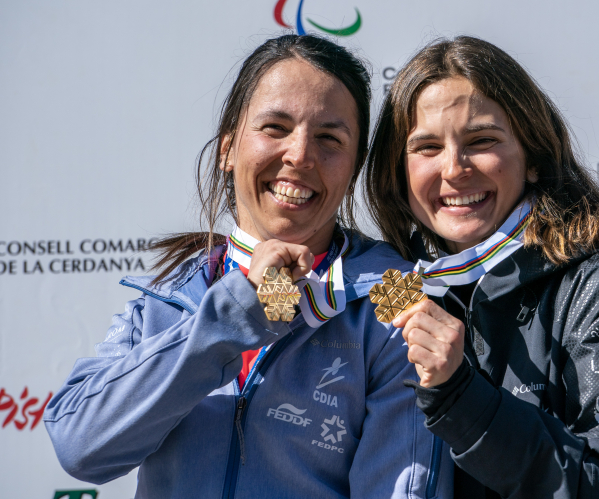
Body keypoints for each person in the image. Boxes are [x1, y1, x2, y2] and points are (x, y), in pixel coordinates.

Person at [44, 34, 451, 499]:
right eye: (275, 128)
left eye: (329, 138)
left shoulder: (395, 293)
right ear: (228, 148)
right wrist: (231, 313)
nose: (299, 155)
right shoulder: (173, 293)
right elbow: (80, 445)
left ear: (353, 168)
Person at [365, 36, 599, 499]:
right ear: (397, 173)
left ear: (533, 159)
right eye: (426, 147)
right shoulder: (399, 288)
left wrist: (463, 399)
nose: (454, 168)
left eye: (481, 140)